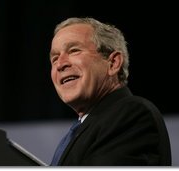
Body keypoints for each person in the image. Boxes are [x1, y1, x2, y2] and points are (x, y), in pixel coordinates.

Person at [49, 17, 171, 166]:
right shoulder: (84, 127)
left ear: (113, 63)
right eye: (54, 58)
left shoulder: (130, 115)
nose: (60, 64)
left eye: (74, 50)